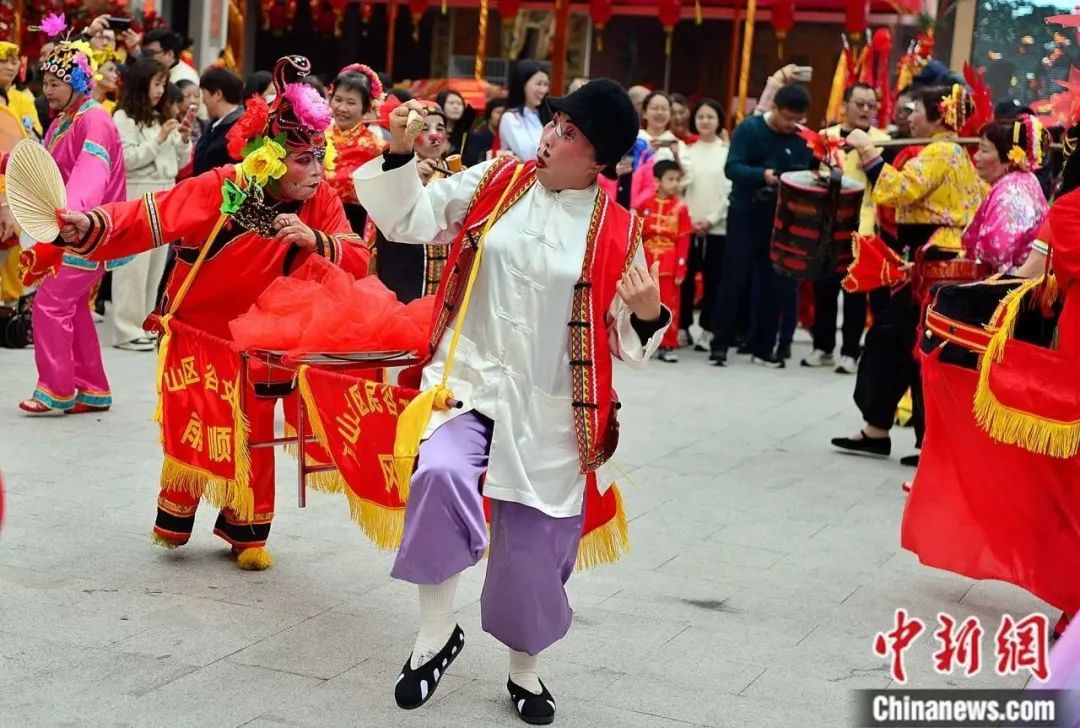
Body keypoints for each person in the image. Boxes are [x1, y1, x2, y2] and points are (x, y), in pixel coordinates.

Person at [353, 79, 669, 725]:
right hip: (467, 378)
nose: (551, 137)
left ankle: (525, 670)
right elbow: (409, 220)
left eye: (570, 133)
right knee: (439, 475)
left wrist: (647, 312)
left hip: (551, 409)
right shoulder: (496, 180)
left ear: (599, 160)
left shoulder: (619, 231)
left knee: (532, 549)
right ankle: (433, 636)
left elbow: (630, 344)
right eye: (554, 123)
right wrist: (399, 153)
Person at [54, 56, 370, 568]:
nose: (317, 171)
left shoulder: (321, 201)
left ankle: (247, 530)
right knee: (199, 420)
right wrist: (92, 223)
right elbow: (154, 216)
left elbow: (356, 257)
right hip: (201, 329)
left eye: (320, 157)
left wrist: (317, 240)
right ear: (269, 157)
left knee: (256, 430)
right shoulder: (225, 185)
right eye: (302, 159)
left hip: (265, 338)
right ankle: (175, 517)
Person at [833, 84, 987, 464]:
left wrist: (867, 149)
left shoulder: (942, 151)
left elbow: (898, 189)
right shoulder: (948, 151)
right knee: (897, 342)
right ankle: (880, 428)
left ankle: (921, 437)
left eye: (915, 109)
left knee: (910, 345)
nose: (909, 116)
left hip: (936, 261)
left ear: (938, 115)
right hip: (928, 258)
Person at [15, 39, 126, 413]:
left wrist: (72, 216)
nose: (47, 91)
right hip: (73, 226)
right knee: (72, 307)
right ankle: (92, 388)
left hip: (85, 228)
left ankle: (56, 388)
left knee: (50, 304)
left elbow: (90, 173)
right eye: (45, 83)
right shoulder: (66, 119)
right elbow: (46, 168)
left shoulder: (94, 120)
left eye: (55, 83)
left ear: (78, 83)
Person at [709, 83, 813, 368]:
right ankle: (720, 343)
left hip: (781, 218)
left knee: (774, 282)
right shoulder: (749, 129)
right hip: (745, 214)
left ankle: (764, 347)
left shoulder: (801, 138)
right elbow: (732, 167)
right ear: (775, 108)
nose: (791, 125)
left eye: (798, 120)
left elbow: (807, 172)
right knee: (733, 279)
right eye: (787, 118)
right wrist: (763, 175)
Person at [802, 83, 890, 374]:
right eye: (859, 104)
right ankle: (823, 347)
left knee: (855, 292)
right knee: (824, 288)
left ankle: (850, 352)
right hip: (828, 226)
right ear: (846, 105)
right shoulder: (826, 136)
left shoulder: (884, 141)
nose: (865, 110)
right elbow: (811, 175)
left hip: (864, 226)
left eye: (871, 105)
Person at [110, 57, 192, 352]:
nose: (160, 90)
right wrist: (159, 139)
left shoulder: (160, 116)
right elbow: (127, 160)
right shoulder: (124, 117)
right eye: (156, 83)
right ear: (141, 83)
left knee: (156, 264)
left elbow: (179, 163)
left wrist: (183, 140)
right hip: (138, 191)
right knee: (133, 264)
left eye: (163, 84)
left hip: (165, 192)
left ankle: (143, 323)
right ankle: (125, 328)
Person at [373, 101, 450, 302]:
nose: (434, 135)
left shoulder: (458, 174)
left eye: (440, 128)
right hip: (404, 271)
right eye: (425, 129)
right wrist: (411, 180)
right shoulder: (391, 169)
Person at [963, 117, 1049, 272]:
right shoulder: (1025, 180)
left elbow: (996, 250)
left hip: (1015, 279)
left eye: (984, 150)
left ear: (1008, 158)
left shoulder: (1012, 192)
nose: (975, 157)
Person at [680, 98, 730, 351]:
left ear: (719, 120)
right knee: (685, 278)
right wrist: (689, 220)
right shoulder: (687, 153)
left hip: (717, 227)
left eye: (710, 116)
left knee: (714, 280)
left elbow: (729, 192)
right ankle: (683, 326)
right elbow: (680, 188)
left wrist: (711, 219)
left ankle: (709, 329)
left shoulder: (727, 153)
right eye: (701, 117)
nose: (705, 121)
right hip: (688, 226)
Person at [0, 37, 42, 307]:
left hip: (15, 186)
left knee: (14, 254)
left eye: (14, 61)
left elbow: (34, 139)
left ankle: (10, 309)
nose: (10, 66)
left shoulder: (23, 100)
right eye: (3, 60)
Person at [636, 159, 692, 362]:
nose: (675, 183)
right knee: (643, 303)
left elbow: (684, 240)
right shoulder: (644, 204)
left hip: (669, 263)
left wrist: (681, 267)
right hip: (646, 262)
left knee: (668, 305)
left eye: (678, 179)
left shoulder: (681, 208)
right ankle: (643, 341)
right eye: (671, 179)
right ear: (657, 181)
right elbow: (636, 236)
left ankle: (667, 344)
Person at [325, 63, 386, 238]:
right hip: (316, 222)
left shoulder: (377, 148)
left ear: (366, 107)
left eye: (351, 102)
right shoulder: (316, 138)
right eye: (338, 99)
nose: (342, 108)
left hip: (356, 229)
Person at [192, 66, 243, 175]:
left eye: (204, 94)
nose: (203, 101)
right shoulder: (213, 125)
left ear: (217, 94)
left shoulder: (242, 128)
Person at [498, 61, 549, 161]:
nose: (543, 90)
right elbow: (526, 154)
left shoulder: (547, 115)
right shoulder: (510, 118)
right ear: (523, 84)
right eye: (538, 84)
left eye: (546, 84)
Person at [637, 91, 690, 183]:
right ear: (644, 113)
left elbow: (686, 178)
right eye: (655, 108)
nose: (660, 112)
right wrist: (648, 154)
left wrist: (676, 156)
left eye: (664, 109)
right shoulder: (633, 140)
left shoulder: (678, 144)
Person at [462, 96, 507, 167]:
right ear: (489, 114)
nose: (502, 116)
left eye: (505, 113)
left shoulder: (509, 138)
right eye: (498, 112)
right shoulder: (477, 137)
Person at [435, 87, 476, 158]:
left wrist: (450, 149)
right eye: (451, 103)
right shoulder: (432, 131)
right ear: (441, 105)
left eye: (459, 104)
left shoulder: (465, 134)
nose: (456, 107)